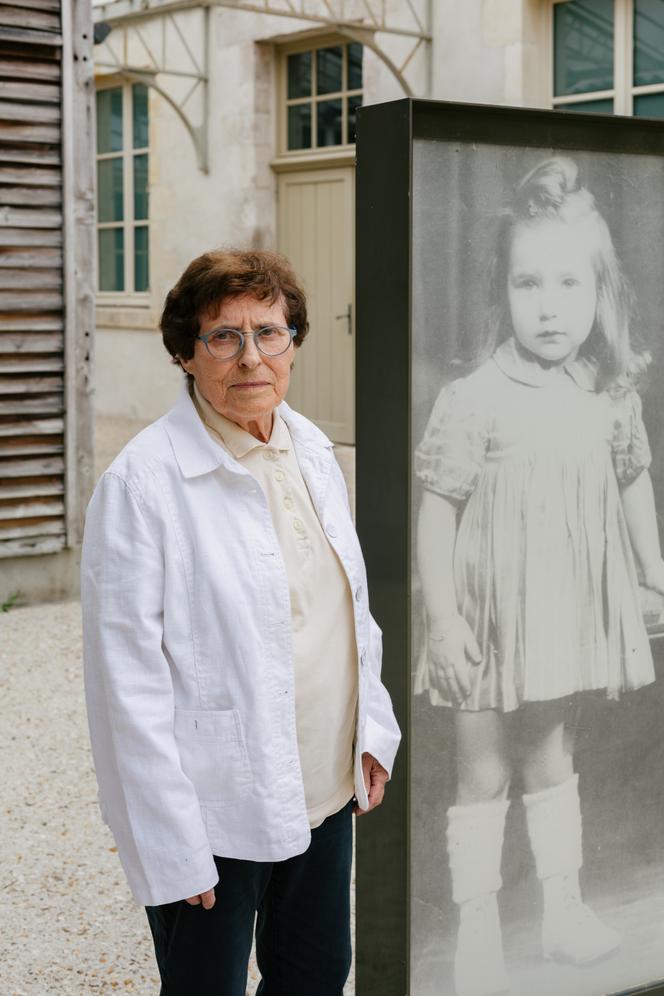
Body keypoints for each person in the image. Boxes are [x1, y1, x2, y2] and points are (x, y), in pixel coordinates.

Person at [82, 248, 401, 995]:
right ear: (186, 354)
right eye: (224, 336)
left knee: (316, 975)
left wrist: (371, 728)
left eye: (270, 332)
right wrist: (170, 839)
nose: (250, 357)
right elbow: (123, 686)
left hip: (324, 789)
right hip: (216, 810)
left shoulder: (311, 447)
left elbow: (347, 608)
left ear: (293, 342)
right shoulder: (142, 484)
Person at [415, 157, 664, 996]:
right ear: (503, 293)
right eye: (529, 284)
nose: (549, 305)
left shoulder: (608, 395)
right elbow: (438, 511)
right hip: (485, 618)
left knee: (553, 756)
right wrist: (445, 621)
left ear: (601, 293)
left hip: (561, 613)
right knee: (482, 770)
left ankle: (562, 915)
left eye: (568, 283)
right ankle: (477, 934)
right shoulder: (473, 398)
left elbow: (634, 482)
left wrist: (652, 572)